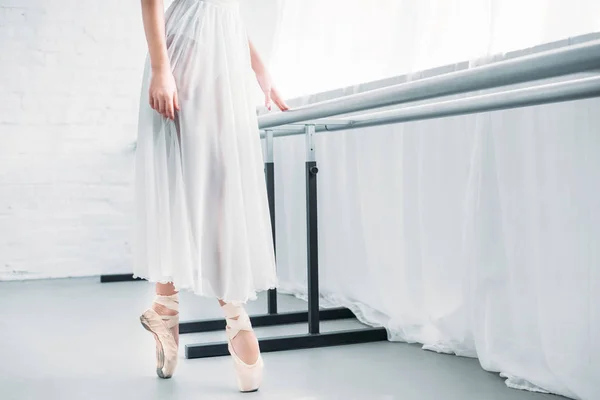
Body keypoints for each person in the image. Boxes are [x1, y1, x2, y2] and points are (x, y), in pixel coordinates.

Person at [133, 0, 289, 392]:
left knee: (220, 183)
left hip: (224, 57)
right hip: (182, 55)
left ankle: (166, 312)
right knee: (185, 181)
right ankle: (228, 314)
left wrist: (259, 67)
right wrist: (160, 69)